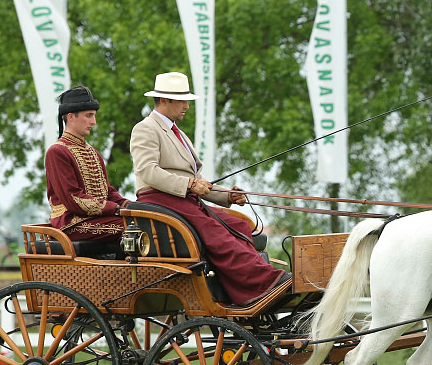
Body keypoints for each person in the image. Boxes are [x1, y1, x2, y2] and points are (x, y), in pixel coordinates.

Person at [130, 72, 289, 305]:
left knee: (239, 225)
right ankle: (265, 283)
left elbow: (197, 180)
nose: (186, 106)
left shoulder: (178, 132)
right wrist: (190, 184)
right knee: (218, 235)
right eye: (182, 101)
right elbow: (148, 172)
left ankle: (247, 291)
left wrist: (227, 196)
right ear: (164, 100)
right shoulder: (146, 129)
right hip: (162, 201)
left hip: (184, 200)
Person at [45, 85, 130, 241]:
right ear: (70, 117)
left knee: (145, 222)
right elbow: (74, 199)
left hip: (95, 220)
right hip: (71, 224)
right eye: (89, 115)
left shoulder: (93, 152)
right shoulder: (57, 152)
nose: (94, 121)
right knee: (133, 229)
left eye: (94, 116)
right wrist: (115, 209)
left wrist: (128, 204)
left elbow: (107, 192)